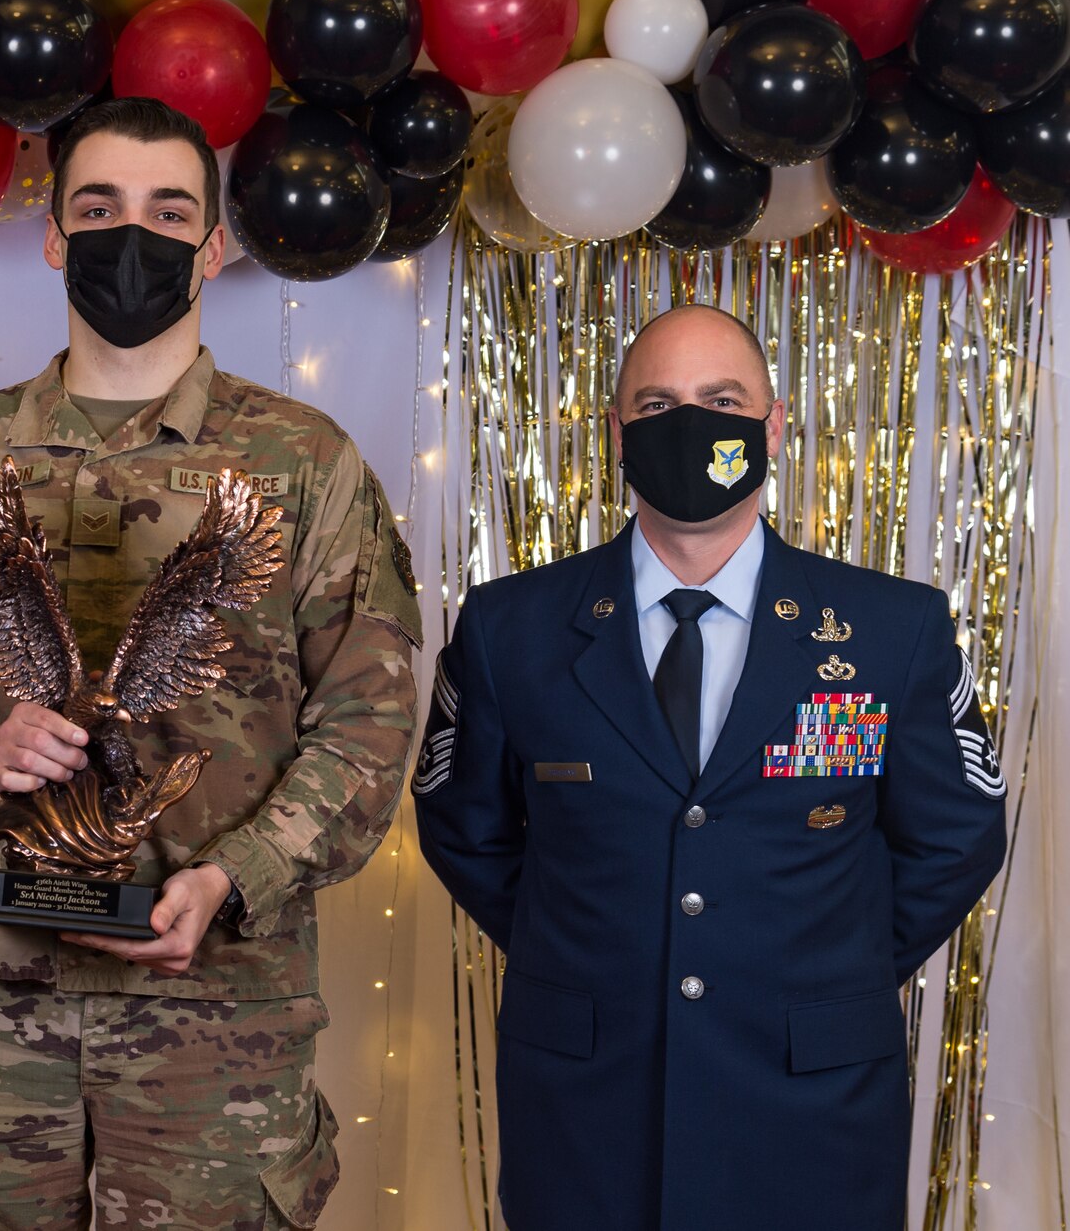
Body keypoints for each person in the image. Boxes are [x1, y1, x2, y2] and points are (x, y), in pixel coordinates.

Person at [0, 96, 421, 1230]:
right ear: (53, 235)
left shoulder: (303, 464)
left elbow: (369, 726)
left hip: (217, 1023)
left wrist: (235, 877)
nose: (129, 237)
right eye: (98, 207)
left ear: (212, 244)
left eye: (166, 210)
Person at [413, 304, 1008, 1231]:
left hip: (813, 1099)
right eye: (656, 404)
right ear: (616, 434)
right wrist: (600, 947)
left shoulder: (895, 627)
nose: (689, 424)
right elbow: (464, 830)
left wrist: (821, 963)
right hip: (587, 1096)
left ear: (771, 427)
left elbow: (958, 836)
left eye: (721, 399)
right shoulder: (509, 628)